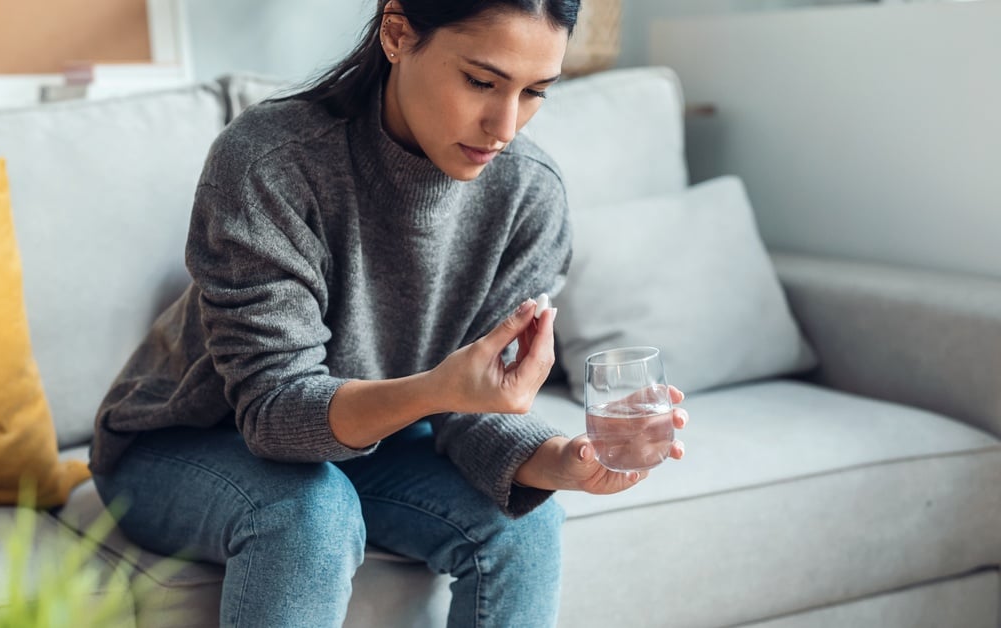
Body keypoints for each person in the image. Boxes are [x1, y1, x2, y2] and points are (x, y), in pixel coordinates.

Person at [88, 0, 689, 625]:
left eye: (536, 91)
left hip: (377, 444)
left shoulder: (530, 195)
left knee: (526, 523)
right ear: (397, 33)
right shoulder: (271, 160)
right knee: (308, 513)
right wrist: (437, 389)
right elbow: (271, 413)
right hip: (185, 441)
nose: (505, 124)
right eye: (482, 81)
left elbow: (470, 411)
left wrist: (565, 460)